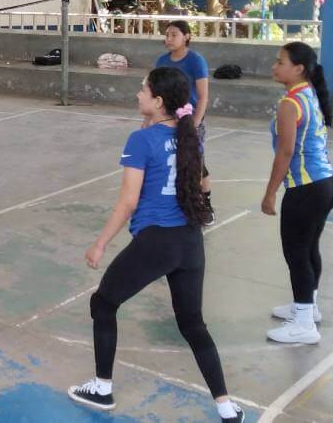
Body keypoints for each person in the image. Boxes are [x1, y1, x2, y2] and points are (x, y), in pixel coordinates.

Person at [68, 67, 244, 423]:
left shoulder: (140, 140)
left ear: (158, 101)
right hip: (190, 241)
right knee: (193, 325)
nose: (138, 94)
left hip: (157, 241)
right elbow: (204, 180)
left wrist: (100, 243)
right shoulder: (190, 135)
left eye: (143, 89)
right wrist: (205, 209)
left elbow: (129, 202)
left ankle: (102, 388)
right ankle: (226, 407)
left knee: (103, 303)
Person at [262, 42, 333, 344]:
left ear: (299, 69)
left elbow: (285, 152)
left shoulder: (289, 104)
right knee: (308, 249)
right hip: (326, 184)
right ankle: (308, 306)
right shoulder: (308, 94)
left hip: (307, 189)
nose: (274, 66)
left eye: (280, 62)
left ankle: (304, 323)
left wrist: (270, 193)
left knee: (296, 254)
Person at [155, 21, 214, 224]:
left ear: (186, 37)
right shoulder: (162, 60)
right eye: (167, 35)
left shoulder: (195, 61)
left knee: (196, 164)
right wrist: (149, 119)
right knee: (171, 160)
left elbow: (203, 96)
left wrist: (195, 124)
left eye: (174, 35)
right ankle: (175, 202)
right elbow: (154, 93)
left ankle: (205, 204)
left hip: (189, 120)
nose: (168, 39)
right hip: (167, 119)